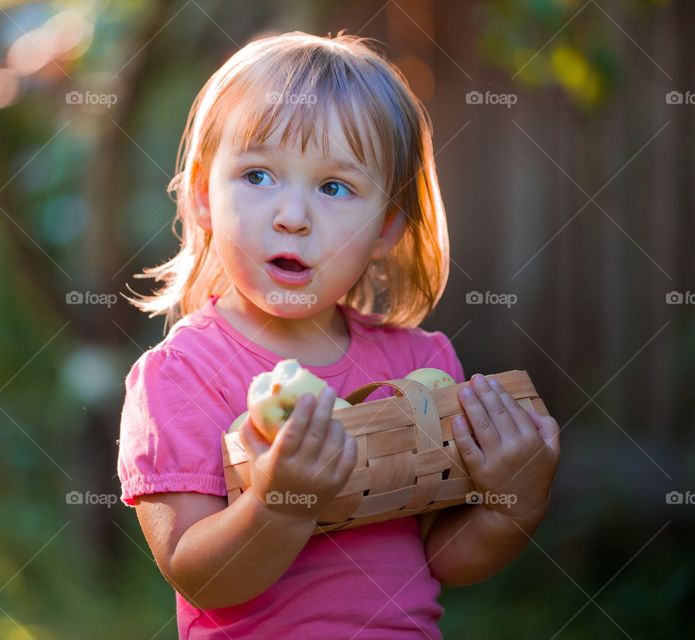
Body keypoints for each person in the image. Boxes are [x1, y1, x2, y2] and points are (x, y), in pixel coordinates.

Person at [116, 30, 560, 639]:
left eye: (334, 187)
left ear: (387, 226)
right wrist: (279, 503)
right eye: (258, 175)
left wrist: (514, 504)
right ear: (201, 195)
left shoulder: (419, 362)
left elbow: (442, 557)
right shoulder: (184, 374)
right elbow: (198, 574)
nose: (292, 216)